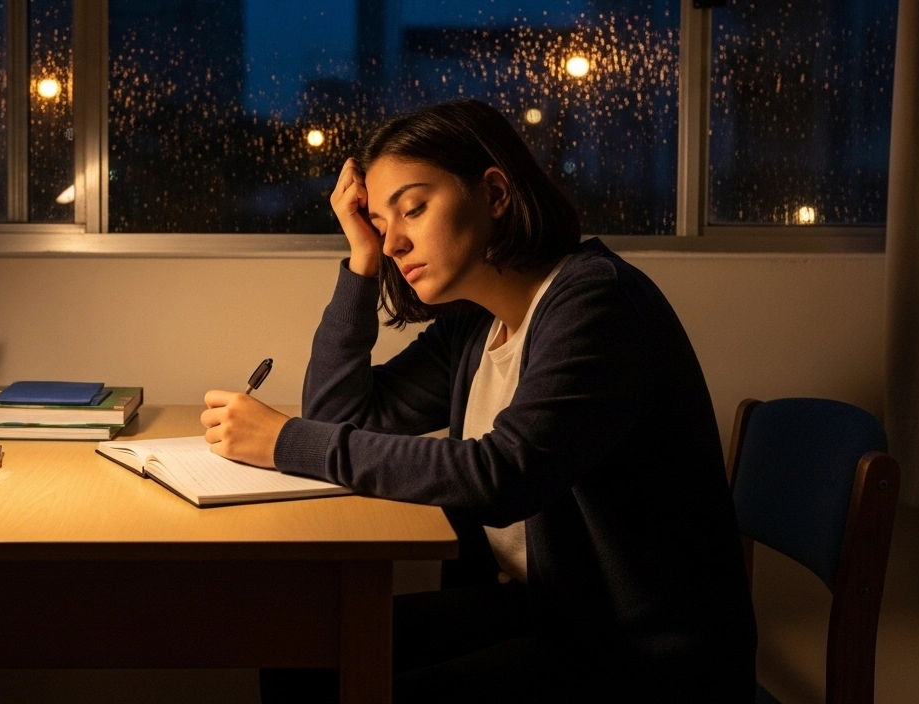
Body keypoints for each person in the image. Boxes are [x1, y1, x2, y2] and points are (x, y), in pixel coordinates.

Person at [200, 100, 756, 702]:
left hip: (635, 656)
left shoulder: (597, 305)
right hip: (545, 610)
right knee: (302, 651)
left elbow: (502, 475)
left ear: (493, 194)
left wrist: (284, 440)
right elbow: (342, 416)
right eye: (382, 225)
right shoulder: (478, 326)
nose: (394, 243)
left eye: (412, 208)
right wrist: (359, 261)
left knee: (344, 679)